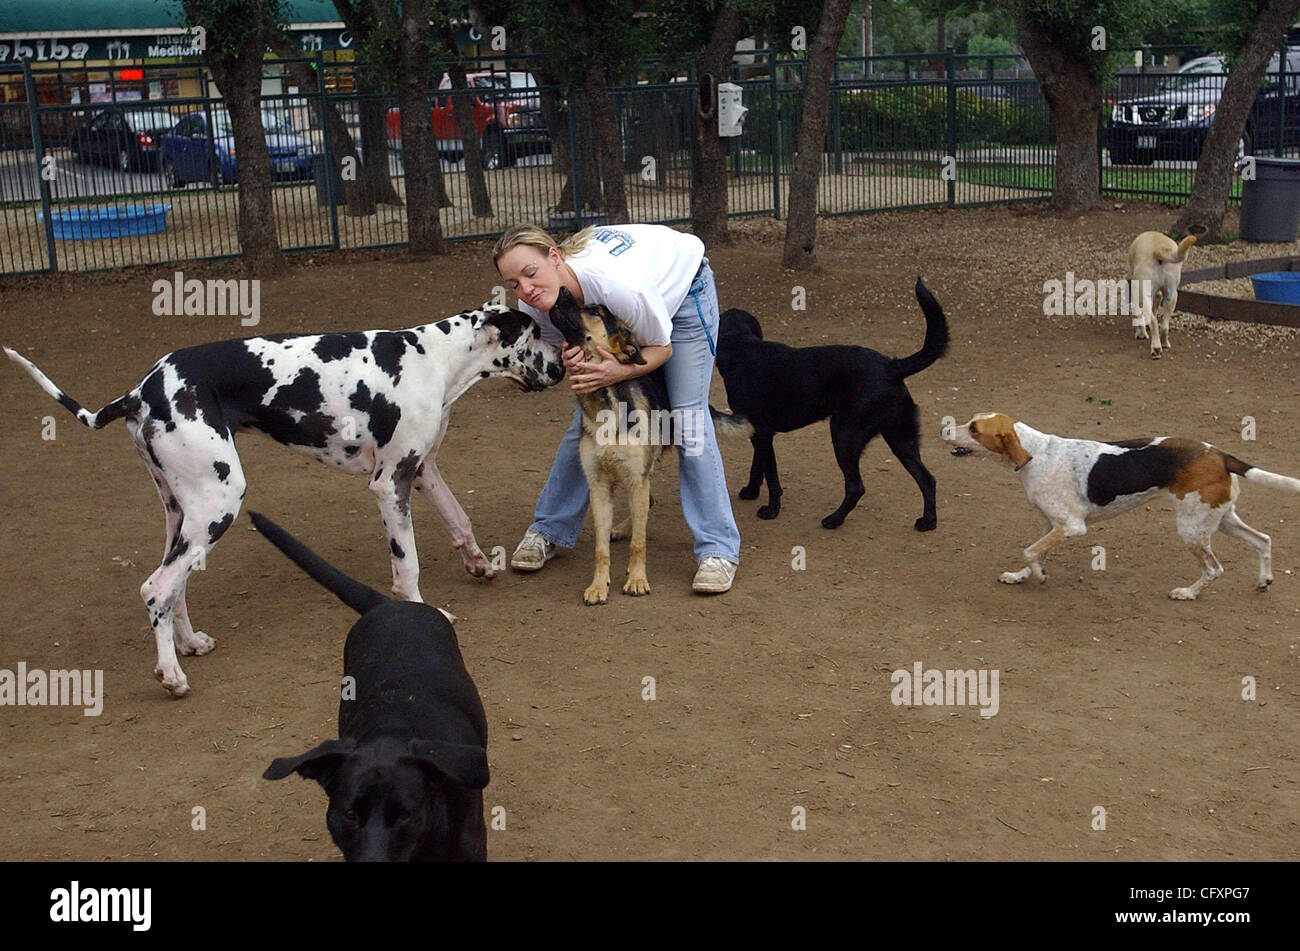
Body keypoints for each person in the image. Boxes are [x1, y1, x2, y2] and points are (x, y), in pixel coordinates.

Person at [493, 222, 741, 594]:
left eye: (531, 273)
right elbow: (560, 359)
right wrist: (575, 361)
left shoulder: (616, 285)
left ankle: (718, 550)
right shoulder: (535, 300)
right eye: (514, 283)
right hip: (620, 306)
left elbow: (661, 348)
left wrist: (615, 370)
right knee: (593, 422)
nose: (525, 290)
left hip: (682, 293)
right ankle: (549, 529)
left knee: (688, 417)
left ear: (555, 257)